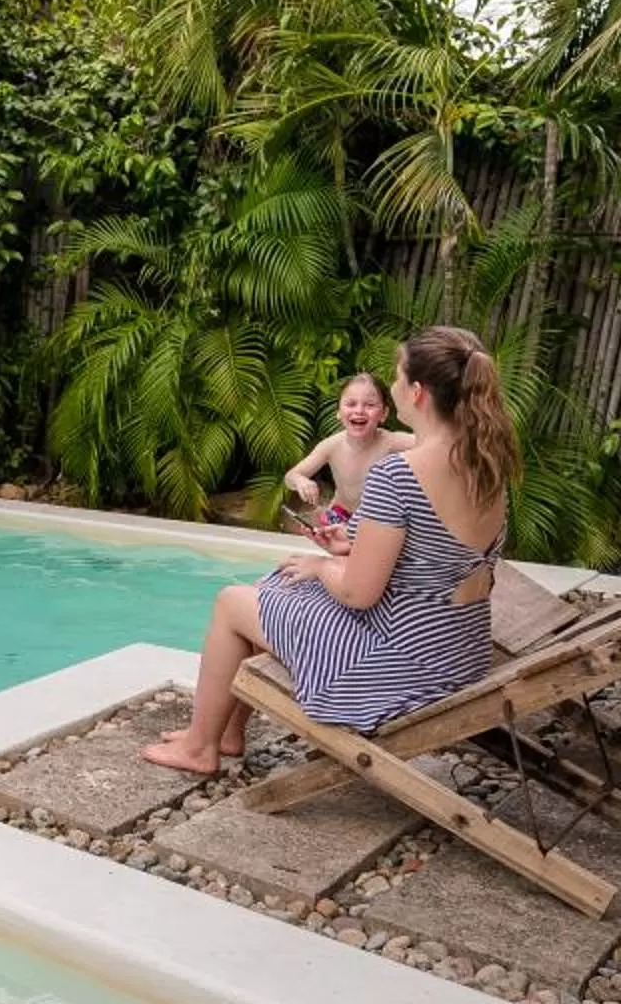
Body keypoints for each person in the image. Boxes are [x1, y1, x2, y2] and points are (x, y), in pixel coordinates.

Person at [143, 327, 518, 775]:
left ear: (417, 393)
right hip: (457, 650)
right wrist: (350, 542)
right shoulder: (487, 463)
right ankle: (225, 732)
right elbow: (438, 555)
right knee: (278, 584)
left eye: (396, 378)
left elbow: (359, 595)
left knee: (231, 603)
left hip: (398, 666)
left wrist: (324, 564)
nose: (392, 387)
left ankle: (199, 748)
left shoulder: (397, 473)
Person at [281, 372, 411, 547]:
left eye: (370, 405)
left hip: (374, 523)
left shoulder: (391, 442)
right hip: (339, 518)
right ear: (338, 412)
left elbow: (434, 444)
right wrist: (300, 481)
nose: (359, 411)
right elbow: (290, 476)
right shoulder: (331, 446)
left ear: (384, 414)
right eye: (351, 404)